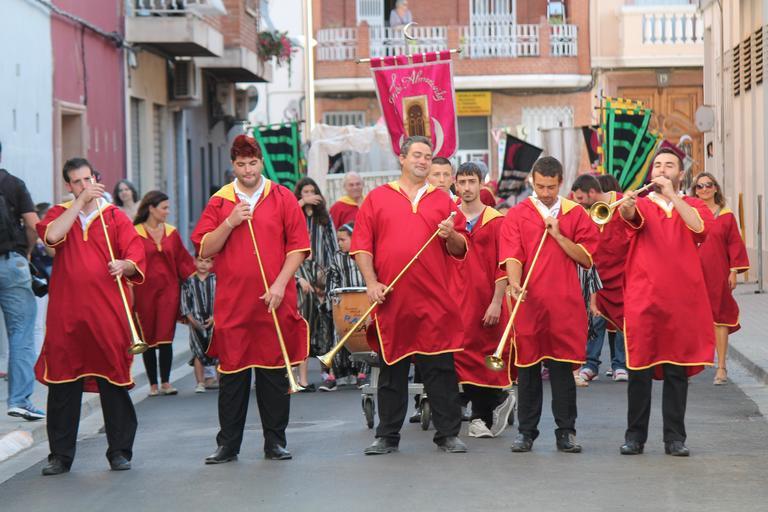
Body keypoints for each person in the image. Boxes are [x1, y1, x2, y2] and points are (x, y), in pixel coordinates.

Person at [191, 134, 309, 464]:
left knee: (273, 375)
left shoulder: (283, 196)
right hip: (233, 304)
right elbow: (205, 248)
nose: (248, 170)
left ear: (261, 162)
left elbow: (298, 247)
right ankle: (228, 445)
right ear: (233, 165)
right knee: (232, 377)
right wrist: (230, 222)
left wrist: (280, 285)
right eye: (241, 164)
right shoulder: (220, 201)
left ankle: (275, 442)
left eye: (253, 163)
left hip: (274, 300)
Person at [351, 135, 468, 455]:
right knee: (391, 371)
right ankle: (387, 436)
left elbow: (460, 248)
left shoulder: (443, 200)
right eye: (417, 155)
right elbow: (362, 246)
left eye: (428, 156)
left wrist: (451, 235)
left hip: (434, 301)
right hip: (393, 301)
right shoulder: (377, 198)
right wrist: (371, 283)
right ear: (402, 158)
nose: (423, 161)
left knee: (440, 370)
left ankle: (448, 434)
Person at [36, 157, 146, 475]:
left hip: (107, 313)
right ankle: (60, 456)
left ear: (96, 178)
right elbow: (51, 238)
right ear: (68, 186)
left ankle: (120, 451)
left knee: (114, 381)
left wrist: (125, 265)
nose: (85, 186)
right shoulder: (59, 213)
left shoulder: (113, 216)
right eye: (78, 182)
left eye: (89, 179)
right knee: (62, 384)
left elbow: (135, 253)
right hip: (66, 315)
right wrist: (78, 203)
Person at [618, 148, 716, 457]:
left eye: (669, 165)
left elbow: (700, 228)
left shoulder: (694, 204)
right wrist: (627, 206)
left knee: (677, 371)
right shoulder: (642, 203)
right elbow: (630, 219)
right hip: (644, 297)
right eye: (658, 165)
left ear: (680, 174)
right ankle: (635, 437)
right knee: (639, 369)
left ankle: (675, 438)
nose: (662, 169)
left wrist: (673, 195)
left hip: (682, 301)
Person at [499, 156, 598, 454]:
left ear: (561, 182)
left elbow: (586, 258)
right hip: (529, 303)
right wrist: (514, 283)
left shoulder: (575, 213)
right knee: (527, 370)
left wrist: (558, 235)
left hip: (564, 303)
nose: (545, 192)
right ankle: (526, 433)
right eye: (540, 186)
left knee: (562, 372)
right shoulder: (517, 214)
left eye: (551, 187)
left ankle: (566, 432)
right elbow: (512, 255)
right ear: (532, 180)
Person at [453, 162, 515, 439]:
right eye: (462, 182)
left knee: (485, 357)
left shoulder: (496, 221)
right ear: (456, 185)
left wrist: (496, 301)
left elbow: (503, 265)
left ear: (481, 185)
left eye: (472, 182)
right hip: (456, 299)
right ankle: (496, 402)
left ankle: (481, 416)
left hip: (486, 299)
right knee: (459, 356)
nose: (467, 187)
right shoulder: (449, 219)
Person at [133, 191, 196, 397]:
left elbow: (183, 262)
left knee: (165, 335)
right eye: (164, 208)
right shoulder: (135, 233)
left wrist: (200, 279)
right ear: (151, 208)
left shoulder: (172, 232)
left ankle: (166, 382)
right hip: (143, 293)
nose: (167, 212)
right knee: (148, 337)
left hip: (169, 291)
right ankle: (153, 384)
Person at [0, 142, 44, 421]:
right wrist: (26, 253)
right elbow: (33, 224)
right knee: (21, 332)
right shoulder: (13, 184)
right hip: (11, 263)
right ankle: (19, 400)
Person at [569, 174, 628, 383]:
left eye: (580, 198)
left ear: (592, 192)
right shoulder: (584, 212)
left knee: (622, 319)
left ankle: (620, 364)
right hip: (597, 273)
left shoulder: (622, 202)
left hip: (622, 273)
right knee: (595, 318)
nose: (578, 203)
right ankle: (590, 364)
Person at [692, 173, 749, 385]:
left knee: (720, 317)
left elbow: (734, 243)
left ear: (716, 188)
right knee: (690, 319)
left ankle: (722, 367)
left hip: (718, 273)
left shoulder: (726, 215)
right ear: (695, 190)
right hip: (693, 274)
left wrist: (733, 271)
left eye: (708, 185)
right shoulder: (690, 213)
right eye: (699, 186)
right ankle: (687, 368)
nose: (704, 189)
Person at [294, 177, 338, 391]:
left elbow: (333, 245)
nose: (310, 195)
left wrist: (330, 272)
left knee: (326, 321)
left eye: (313, 191)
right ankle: (301, 378)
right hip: (301, 271)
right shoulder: (294, 215)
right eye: (305, 192)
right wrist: (297, 277)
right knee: (304, 321)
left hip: (322, 271)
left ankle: (328, 372)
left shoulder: (324, 218)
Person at [325, 223, 369, 387]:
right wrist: (332, 296)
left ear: (353, 238)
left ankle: (363, 374)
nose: (340, 243)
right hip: (344, 305)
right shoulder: (337, 257)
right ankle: (333, 375)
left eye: (343, 240)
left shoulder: (364, 253)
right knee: (339, 337)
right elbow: (332, 278)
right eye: (338, 240)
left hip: (364, 302)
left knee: (364, 337)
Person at [181, 254, 219, 393]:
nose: (203, 264)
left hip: (214, 322)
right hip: (196, 322)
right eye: (200, 261)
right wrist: (193, 321)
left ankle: (221, 380)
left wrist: (215, 317)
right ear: (195, 262)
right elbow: (185, 305)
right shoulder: (189, 282)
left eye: (207, 261)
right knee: (198, 352)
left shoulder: (216, 280)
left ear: (212, 264)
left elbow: (222, 300)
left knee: (218, 352)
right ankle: (200, 383)